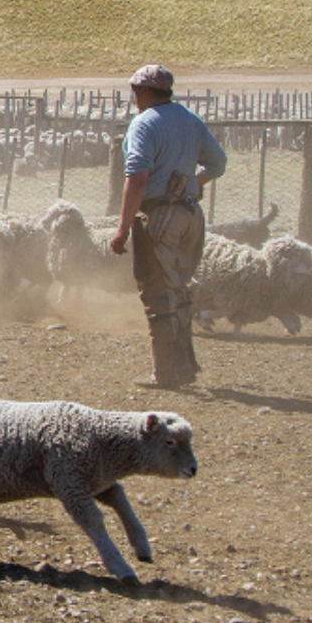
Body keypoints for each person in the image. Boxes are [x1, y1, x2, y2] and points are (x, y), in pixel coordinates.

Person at [109, 64, 226, 388]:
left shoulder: (144, 123)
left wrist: (122, 228)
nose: (134, 96)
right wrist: (195, 182)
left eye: (135, 91)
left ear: (145, 91)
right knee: (178, 290)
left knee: (157, 293)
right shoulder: (190, 120)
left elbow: (138, 179)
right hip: (190, 215)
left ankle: (165, 373)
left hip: (159, 216)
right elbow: (218, 163)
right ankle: (184, 368)